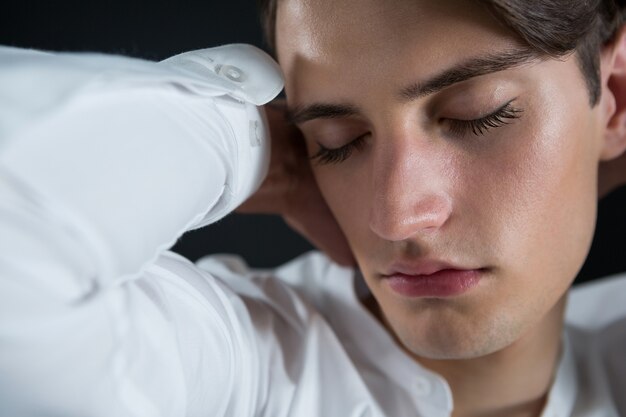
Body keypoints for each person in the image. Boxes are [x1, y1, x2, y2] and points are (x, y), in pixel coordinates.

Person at [1, 2, 626, 417]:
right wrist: (241, 139)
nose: (396, 216)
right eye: (337, 142)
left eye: (476, 115)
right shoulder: (249, 368)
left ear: (616, 97)